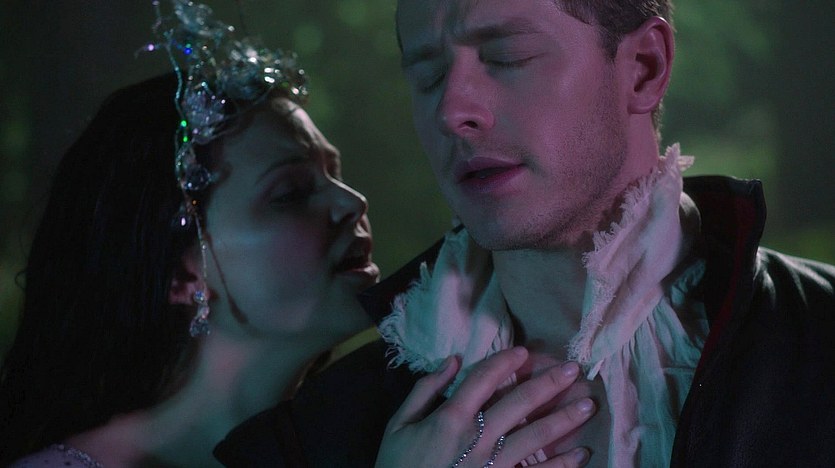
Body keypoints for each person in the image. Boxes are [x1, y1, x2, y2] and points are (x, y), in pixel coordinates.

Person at [217, 0, 835, 466]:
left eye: (507, 57)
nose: (451, 111)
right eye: (428, 75)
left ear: (644, 68)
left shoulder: (819, 337)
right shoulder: (312, 437)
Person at [0, 1, 598, 466]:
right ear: (182, 272)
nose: (350, 202)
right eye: (288, 193)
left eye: (333, 173)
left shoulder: (390, 436)